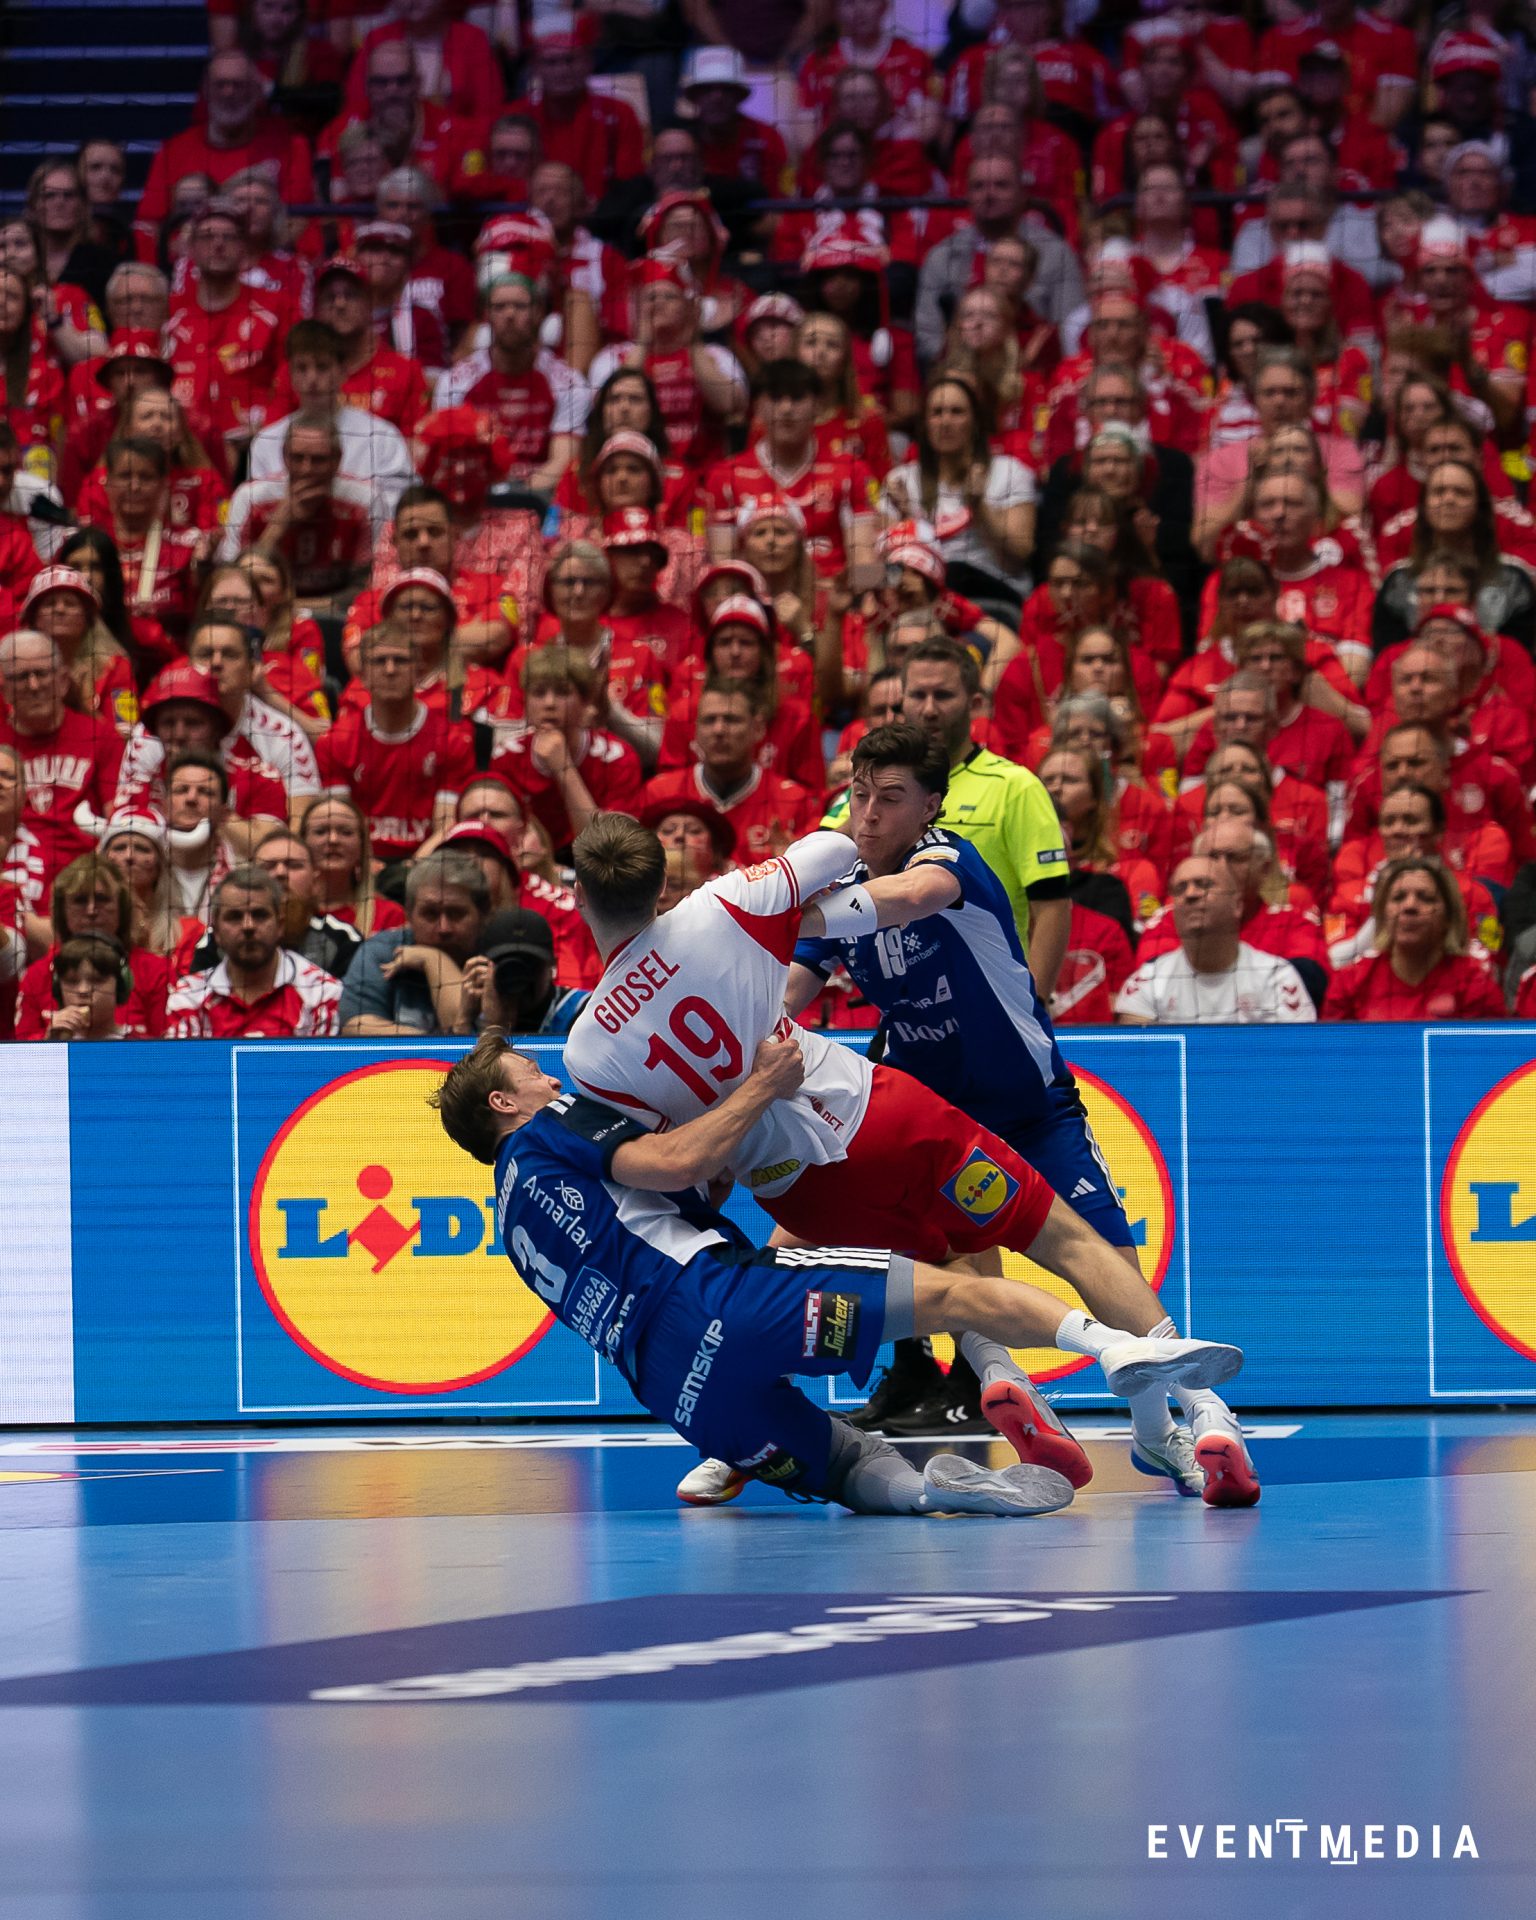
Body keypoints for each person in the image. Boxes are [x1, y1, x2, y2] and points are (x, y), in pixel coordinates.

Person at [435, 1026, 1239, 1515]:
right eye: (529, 1073)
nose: (549, 1077)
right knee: (954, 1291)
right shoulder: (550, 1124)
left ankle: (928, 1493)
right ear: (505, 1105)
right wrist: (764, 1085)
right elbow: (675, 1162)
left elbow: (672, 1199)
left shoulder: (509, 1216)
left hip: (676, 1389)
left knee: (856, 1467)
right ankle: (1112, 1348)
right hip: (725, 1301)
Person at [783, 724, 1252, 1496]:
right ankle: (1009, 1383)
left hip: (1032, 1107)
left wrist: (774, 913)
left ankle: (1172, 1425)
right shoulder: (837, 891)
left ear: (931, 806)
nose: (868, 814)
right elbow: (787, 996)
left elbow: (912, 898)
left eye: (891, 798)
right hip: (942, 1122)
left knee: (1109, 1265)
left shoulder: (947, 861)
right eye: (859, 795)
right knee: (947, 1259)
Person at [898, 638, 1069, 998]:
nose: (929, 709)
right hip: (904, 1000)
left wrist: (1033, 1003)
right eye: (917, 695)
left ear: (975, 703)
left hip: (992, 995)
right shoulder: (881, 790)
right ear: (902, 701)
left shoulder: (1016, 787)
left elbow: (1052, 906)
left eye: (943, 695)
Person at [315, 624, 475, 863]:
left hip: (427, 861)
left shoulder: (453, 739)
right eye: (379, 661)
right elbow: (340, 825)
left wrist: (412, 869)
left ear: (418, 671)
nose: (390, 670)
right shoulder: (335, 741)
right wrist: (368, 867)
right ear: (363, 675)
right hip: (360, 862)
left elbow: (446, 826)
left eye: (400, 660)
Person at [134, 52, 314, 259]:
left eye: (239, 85)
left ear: (257, 91)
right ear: (205, 91)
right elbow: (147, 225)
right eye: (220, 84)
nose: (229, 92)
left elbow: (301, 220)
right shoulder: (173, 151)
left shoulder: (291, 146)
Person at [1117, 856, 1317, 1027]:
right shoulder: (1147, 981)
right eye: (1180, 888)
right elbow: (1138, 1058)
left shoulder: (1277, 977)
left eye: (1204, 884)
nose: (1190, 894)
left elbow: (1297, 1056)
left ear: (1237, 905)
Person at [641, 677, 820, 863]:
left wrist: (793, 863)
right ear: (695, 730)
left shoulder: (794, 801)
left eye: (732, 720)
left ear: (758, 728)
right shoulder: (659, 793)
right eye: (709, 720)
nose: (719, 730)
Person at [0, 628, 124, 892]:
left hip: (85, 884)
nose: (34, 686)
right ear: (4, 688)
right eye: (21, 677)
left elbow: (118, 821)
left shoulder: (101, 736)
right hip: (9, 880)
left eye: (42, 673)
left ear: (63, 680)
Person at [166, 862, 342, 1037]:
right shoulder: (190, 995)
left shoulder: (321, 992)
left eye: (260, 915)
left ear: (280, 925)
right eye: (235, 916)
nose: (248, 926)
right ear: (216, 931)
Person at [220, 413, 376, 611]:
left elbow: (367, 585)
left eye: (318, 460)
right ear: (284, 456)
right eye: (297, 457)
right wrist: (276, 528)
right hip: (263, 613)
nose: (306, 469)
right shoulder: (251, 497)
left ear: (337, 459)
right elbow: (230, 580)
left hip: (339, 616)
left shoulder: (363, 500)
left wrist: (300, 609)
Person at [1324, 855, 1505, 1021]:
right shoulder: (1350, 983)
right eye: (1398, 898)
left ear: (1449, 917)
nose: (1409, 906)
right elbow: (1330, 1045)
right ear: (1382, 914)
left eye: (1426, 898)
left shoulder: (1475, 984)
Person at [14, 851, 170, 1040]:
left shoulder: (155, 970)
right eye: (80, 900)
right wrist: (48, 1040)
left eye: (102, 899)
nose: (91, 910)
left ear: (122, 907)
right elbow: (19, 1049)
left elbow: (169, 1047)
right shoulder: (38, 975)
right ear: (62, 911)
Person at [338, 846, 487, 1035]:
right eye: (430, 914)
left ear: (482, 914)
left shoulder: (494, 955)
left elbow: (463, 1037)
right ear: (408, 914)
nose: (443, 928)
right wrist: (431, 1043)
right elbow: (355, 1026)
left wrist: (433, 960)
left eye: (456, 913)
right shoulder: (383, 950)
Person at [452, 906, 589, 1036]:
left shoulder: (581, 1010)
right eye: (507, 965)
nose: (517, 975)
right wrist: (463, 1020)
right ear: (484, 967)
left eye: (530, 963)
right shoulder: (476, 1014)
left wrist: (495, 1032)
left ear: (552, 964)